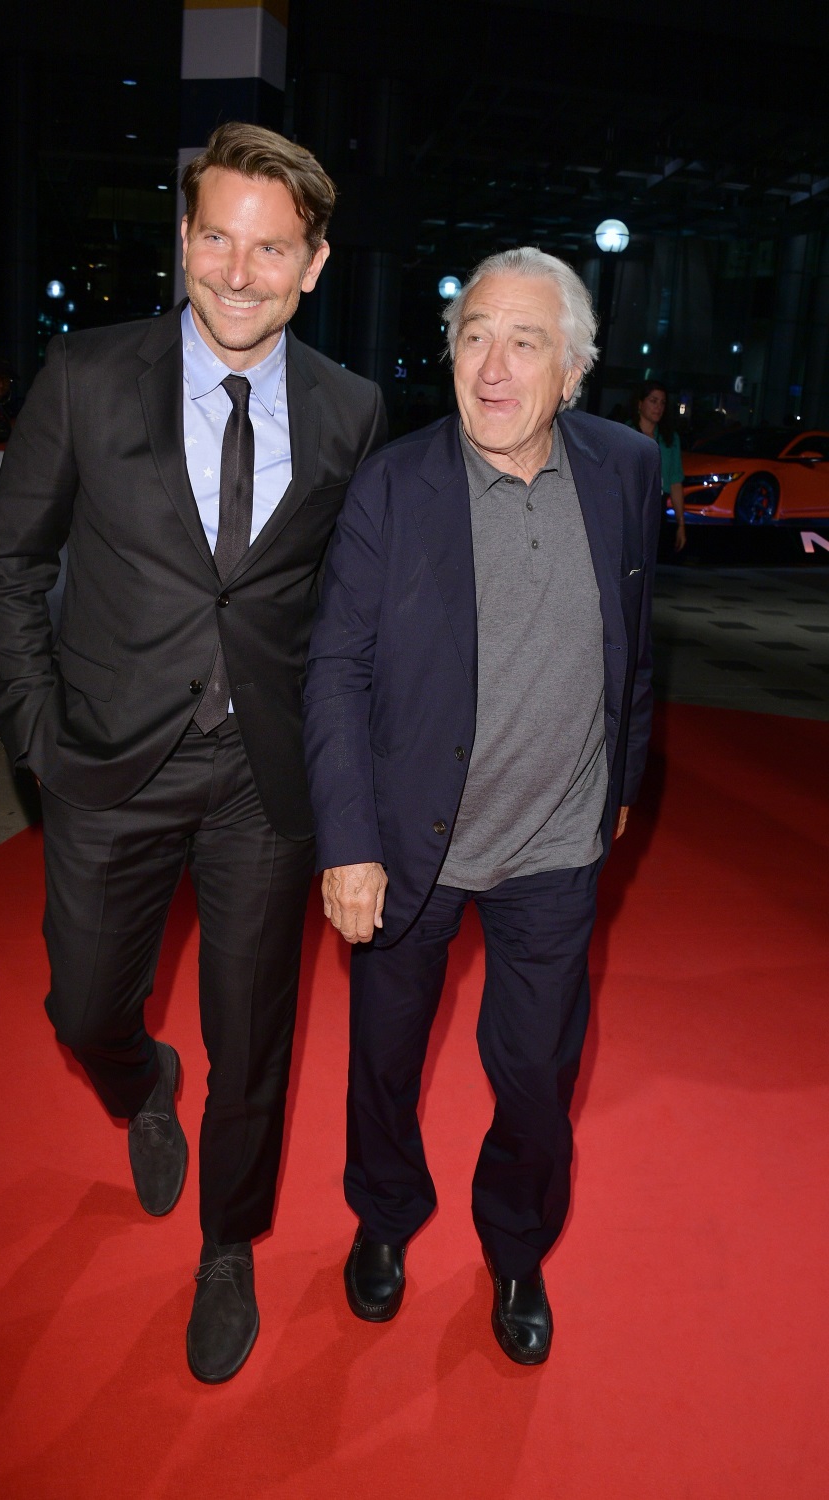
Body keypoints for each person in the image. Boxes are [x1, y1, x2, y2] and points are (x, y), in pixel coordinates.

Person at [0, 122, 387, 1384]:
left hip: (264, 786)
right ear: (184, 236)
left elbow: (346, 615)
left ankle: (227, 1244)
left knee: (253, 1043)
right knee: (83, 1003)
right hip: (108, 762)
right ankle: (139, 1076)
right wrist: (39, 731)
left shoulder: (351, 409)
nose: (240, 269)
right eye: (218, 235)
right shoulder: (88, 374)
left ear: (313, 265)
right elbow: (12, 563)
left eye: (272, 248)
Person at [303, 247, 658, 1365]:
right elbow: (335, 671)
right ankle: (386, 1218)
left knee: (538, 1075)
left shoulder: (627, 470)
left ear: (572, 372)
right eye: (471, 336)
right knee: (385, 1057)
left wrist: (619, 788)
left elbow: (637, 650)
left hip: (555, 847)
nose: (492, 368)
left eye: (524, 342)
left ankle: (513, 1248)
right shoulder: (394, 486)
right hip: (412, 844)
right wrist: (350, 839)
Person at [631, 380, 685, 553]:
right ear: (640, 403)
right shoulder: (625, 432)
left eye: (662, 402)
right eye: (653, 401)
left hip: (657, 506)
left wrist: (681, 524)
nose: (658, 407)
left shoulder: (670, 439)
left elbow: (675, 482)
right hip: (631, 505)